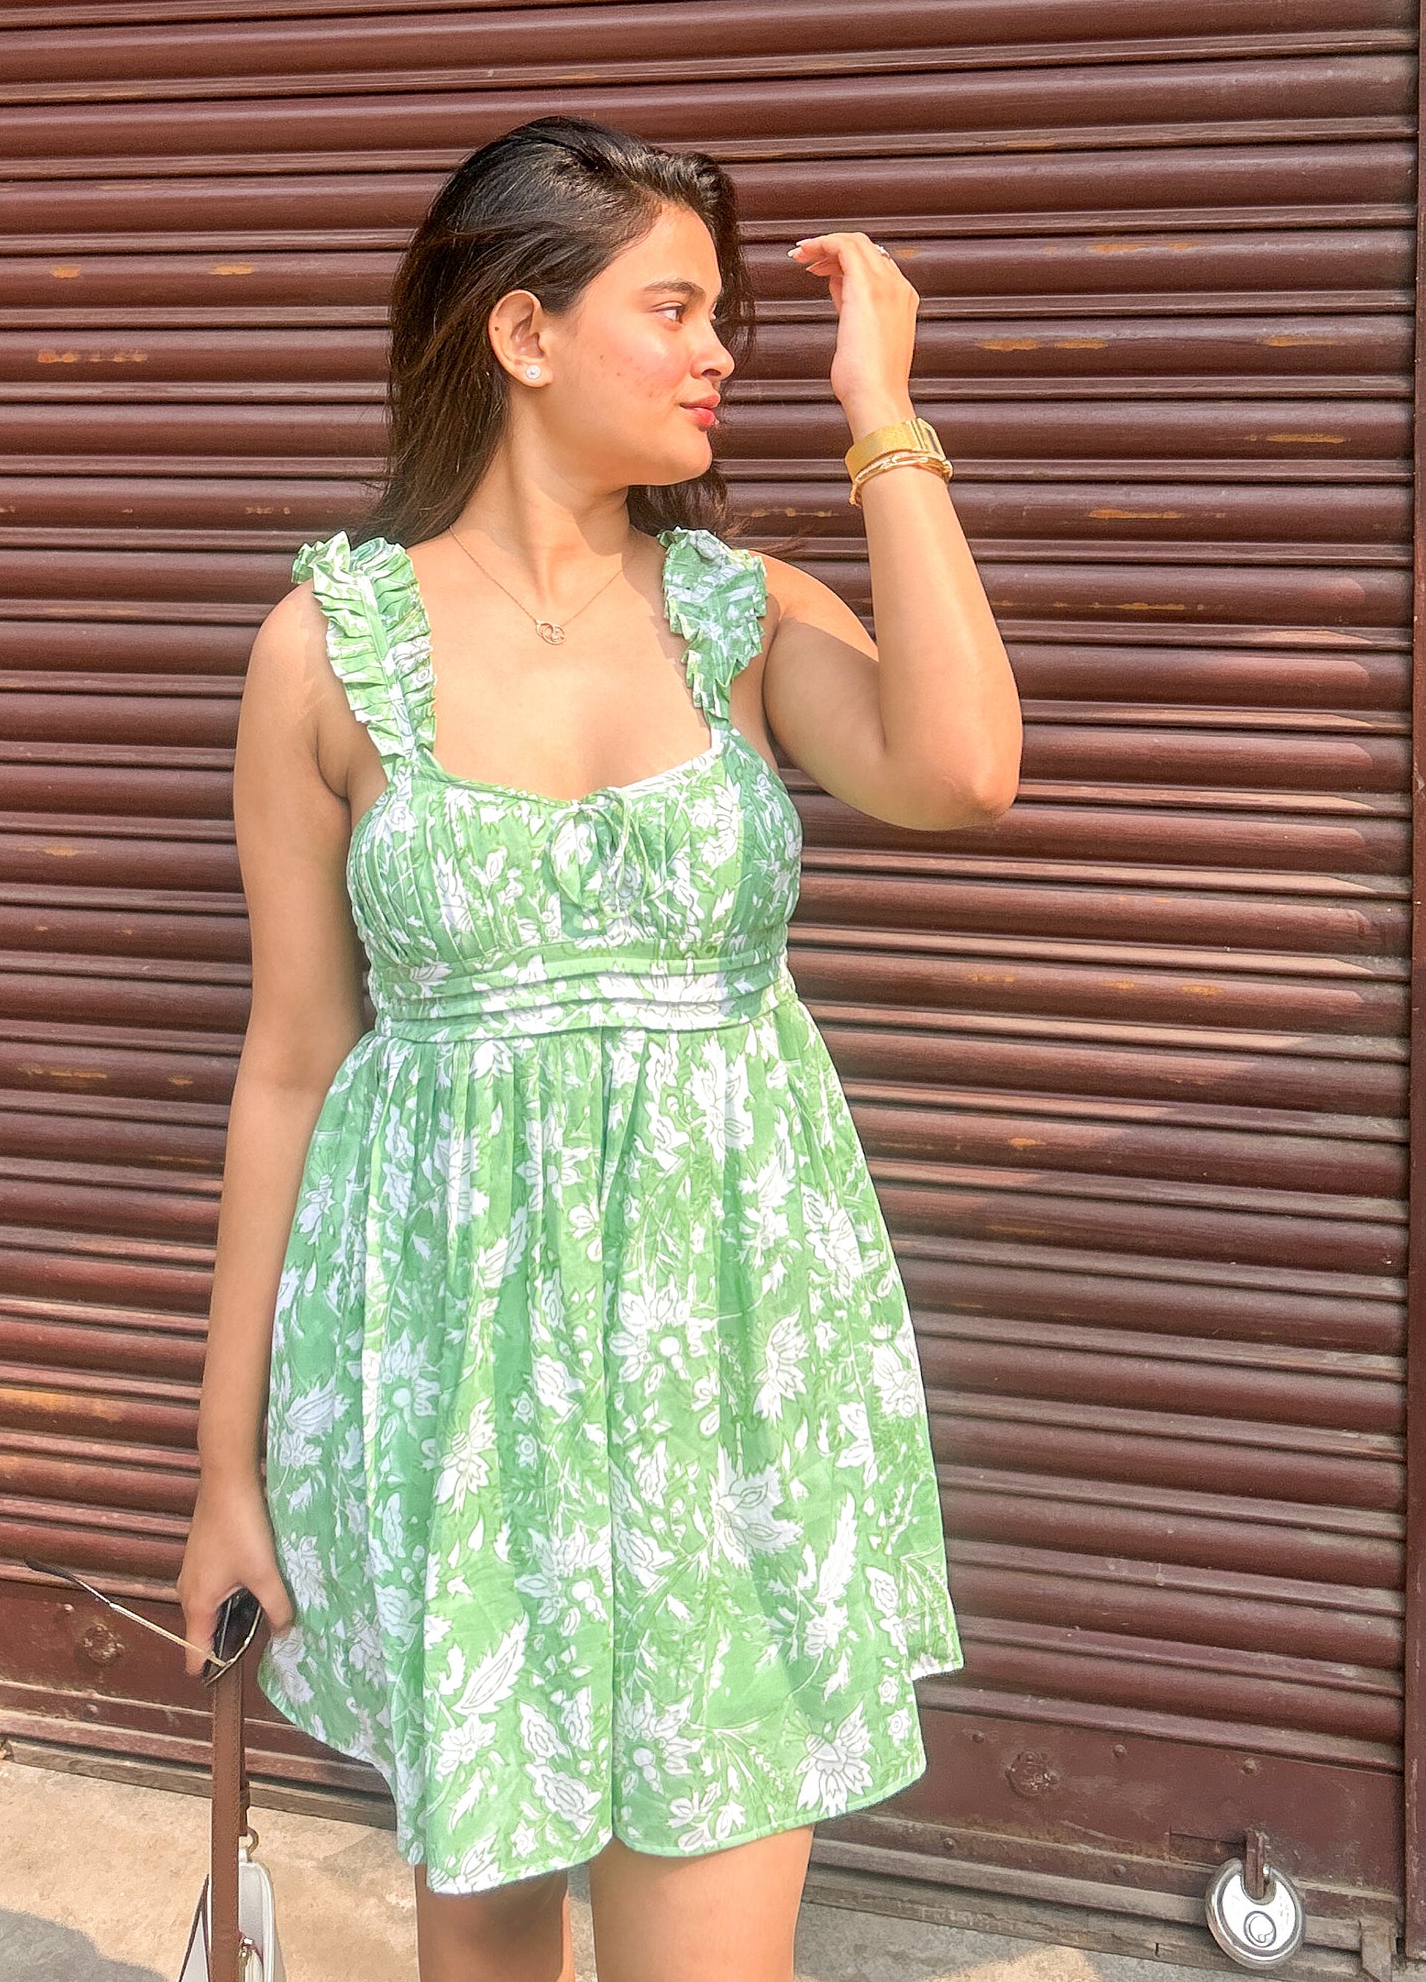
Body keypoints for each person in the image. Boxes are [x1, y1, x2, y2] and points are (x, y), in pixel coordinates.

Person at [177, 116, 1022, 1982]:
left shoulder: (745, 617)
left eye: (722, 317)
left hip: (737, 1372)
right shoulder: (325, 651)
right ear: (524, 333)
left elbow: (962, 769)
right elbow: (291, 1062)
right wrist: (224, 1472)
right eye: (675, 308)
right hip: (455, 1391)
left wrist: (883, 416)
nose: (718, 353)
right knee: (480, 1947)